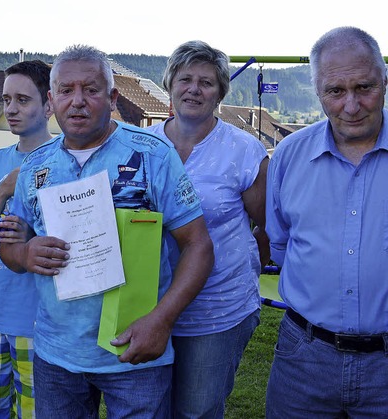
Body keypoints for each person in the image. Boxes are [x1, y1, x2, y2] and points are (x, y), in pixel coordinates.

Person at [0, 44, 214, 418]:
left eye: (91, 90)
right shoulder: (34, 168)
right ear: (51, 100)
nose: (77, 102)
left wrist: (161, 321)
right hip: (57, 355)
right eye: (66, 91)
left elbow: (198, 246)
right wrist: (24, 254)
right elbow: (9, 248)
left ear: (113, 97)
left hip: (134, 351)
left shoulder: (153, 156)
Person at [265, 26, 388, 417]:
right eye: (335, 91)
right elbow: (281, 243)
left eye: (364, 87)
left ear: (385, 81)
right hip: (304, 358)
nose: (351, 105)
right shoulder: (288, 156)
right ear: (318, 92)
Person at [145, 40, 269, 418]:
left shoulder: (244, 150)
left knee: (197, 411)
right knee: (147, 408)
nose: (194, 89)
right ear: (170, 84)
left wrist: (246, 271)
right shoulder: (142, 145)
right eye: (185, 79)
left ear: (220, 93)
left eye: (206, 82)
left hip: (217, 309)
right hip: (147, 302)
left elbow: (267, 225)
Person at [0, 60, 52, 418]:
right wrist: (2, 190)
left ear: (49, 104)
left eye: (23, 99)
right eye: (6, 99)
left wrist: (31, 235)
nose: (12, 109)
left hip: (39, 317)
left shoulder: (65, 159)